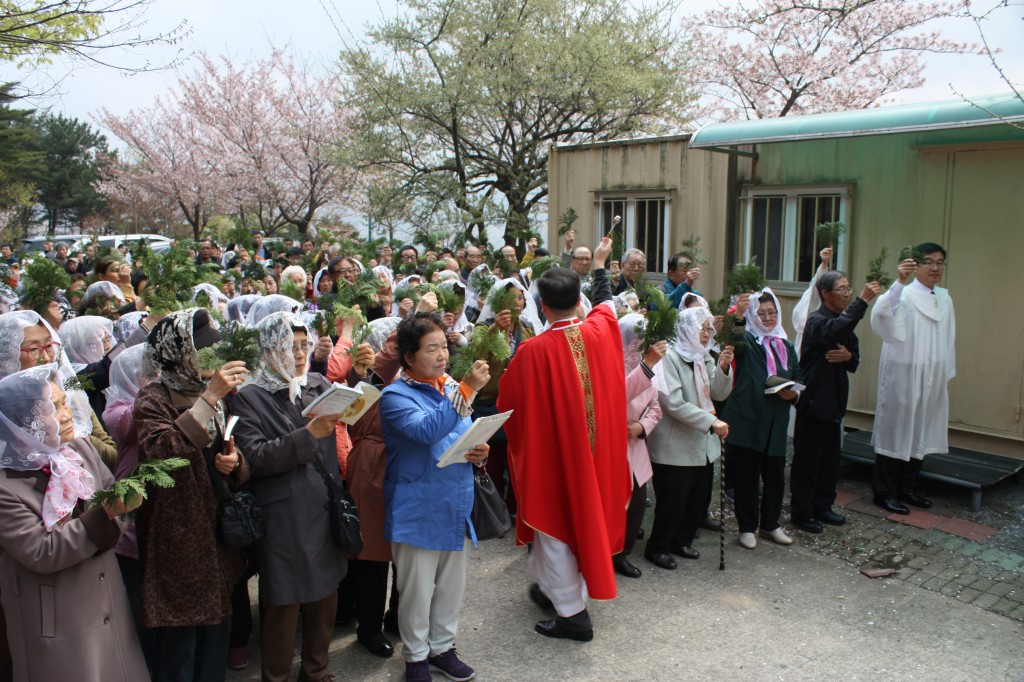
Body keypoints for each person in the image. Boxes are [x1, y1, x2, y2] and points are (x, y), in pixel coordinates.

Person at [499, 235, 630, 642]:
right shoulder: (601, 329)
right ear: (579, 302)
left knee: (553, 527)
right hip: (598, 457)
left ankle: (574, 616)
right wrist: (602, 264)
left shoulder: (533, 351)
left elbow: (508, 403)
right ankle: (549, 589)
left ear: (541, 306)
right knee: (573, 527)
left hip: (558, 458)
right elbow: (607, 302)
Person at [0, 364, 149, 681]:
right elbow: (41, 551)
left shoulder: (77, 448)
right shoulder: (6, 485)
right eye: (51, 408)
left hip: (105, 594)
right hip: (57, 613)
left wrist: (117, 510)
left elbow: (113, 497)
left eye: (65, 402)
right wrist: (106, 513)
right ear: (20, 422)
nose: (66, 415)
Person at [133, 308, 250, 682]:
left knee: (218, 627)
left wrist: (234, 461)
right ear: (175, 352)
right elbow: (163, 449)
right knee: (180, 637)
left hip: (216, 529)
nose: (209, 359)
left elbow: (228, 443)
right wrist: (212, 395)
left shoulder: (207, 392)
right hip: (178, 534)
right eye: (200, 350)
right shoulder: (153, 399)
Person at [232, 312, 349, 682]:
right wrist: (309, 433)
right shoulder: (250, 397)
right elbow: (257, 457)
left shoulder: (314, 383)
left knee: (326, 594)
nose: (299, 354)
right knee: (284, 601)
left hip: (322, 503)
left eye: (303, 345)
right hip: (284, 514)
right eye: (287, 346)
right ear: (267, 350)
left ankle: (317, 671)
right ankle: (277, 676)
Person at [379, 313, 490, 682]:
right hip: (417, 505)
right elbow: (427, 431)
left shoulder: (449, 385)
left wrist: (479, 450)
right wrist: (468, 391)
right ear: (408, 356)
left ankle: (443, 647)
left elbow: (460, 433)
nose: (442, 355)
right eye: (432, 349)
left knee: (452, 586)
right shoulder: (395, 395)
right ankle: (415, 657)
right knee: (416, 589)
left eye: (444, 346)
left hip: (455, 499)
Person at [790, 271, 880, 533]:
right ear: (825, 293)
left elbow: (854, 359)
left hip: (834, 403)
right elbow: (834, 331)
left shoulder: (843, 322)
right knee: (808, 460)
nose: (846, 294)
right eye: (841, 289)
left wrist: (848, 355)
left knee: (829, 460)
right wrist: (861, 302)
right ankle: (801, 511)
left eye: (849, 289)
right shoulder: (817, 321)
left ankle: (823, 506)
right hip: (813, 402)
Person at [869, 243, 955, 514]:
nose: (935, 267)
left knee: (921, 428)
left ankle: (907, 488)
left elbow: (950, 336)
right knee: (896, 429)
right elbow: (882, 317)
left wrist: (944, 370)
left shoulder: (944, 298)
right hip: (903, 373)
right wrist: (898, 281)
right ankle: (884, 492)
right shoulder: (903, 295)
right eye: (929, 261)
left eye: (940, 262)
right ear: (915, 264)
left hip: (931, 374)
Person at [645, 307, 733, 568]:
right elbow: (672, 402)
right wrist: (710, 421)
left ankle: (681, 540)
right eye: (702, 328)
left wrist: (724, 368)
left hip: (702, 442)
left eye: (709, 329)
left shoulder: (703, 356)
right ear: (687, 329)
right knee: (673, 501)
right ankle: (658, 546)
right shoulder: (669, 356)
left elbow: (718, 393)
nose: (707, 334)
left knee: (696, 499)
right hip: (675, 443)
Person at [720, 289, 803, 550]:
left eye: (772, 313)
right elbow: (731, 338)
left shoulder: (786, 345)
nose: (767, 318)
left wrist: (793, 395)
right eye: (762, 313)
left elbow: (797, 377)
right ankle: (746, 526)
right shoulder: (747, 340)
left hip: (776, 420)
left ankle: (771, 524)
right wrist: (741, 314)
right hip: (748, 417)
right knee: (747, 476)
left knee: (776, 476)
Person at [611, 315, 665, 578]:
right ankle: (607, 553)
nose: (640, 347)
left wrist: (642, 427)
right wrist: (647, 365)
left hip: (636, 444)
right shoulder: (610, 365)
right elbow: (618, 395)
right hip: (613, 447)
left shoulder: (647, 368)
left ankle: (623, 553)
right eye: (636, 341)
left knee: (637, 503)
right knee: (613, 505)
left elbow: (655, 407)